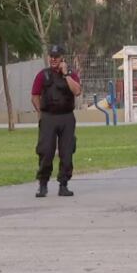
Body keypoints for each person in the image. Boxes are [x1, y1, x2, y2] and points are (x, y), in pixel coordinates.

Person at [31, 45, 82, 197]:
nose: (53, 59)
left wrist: (66, 74)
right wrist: (41, 113)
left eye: (57, 56)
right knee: (46, 150)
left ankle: (63, 184)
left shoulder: (71, 74)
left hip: (66, 117)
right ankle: (43, 184)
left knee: (67, 151)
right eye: (51, 56)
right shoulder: (43, 75)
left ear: (62, 58)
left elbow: (77, 91)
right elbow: (34, 95)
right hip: (48, 117)